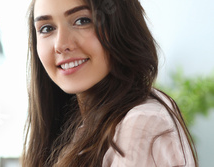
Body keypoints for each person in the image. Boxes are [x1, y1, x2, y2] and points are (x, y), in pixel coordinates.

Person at [21, 0, 198, 166]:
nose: (61, 44)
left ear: (121, 25)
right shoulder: (75, 128)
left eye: (82, 21)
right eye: (46, 28)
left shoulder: (141, 123)